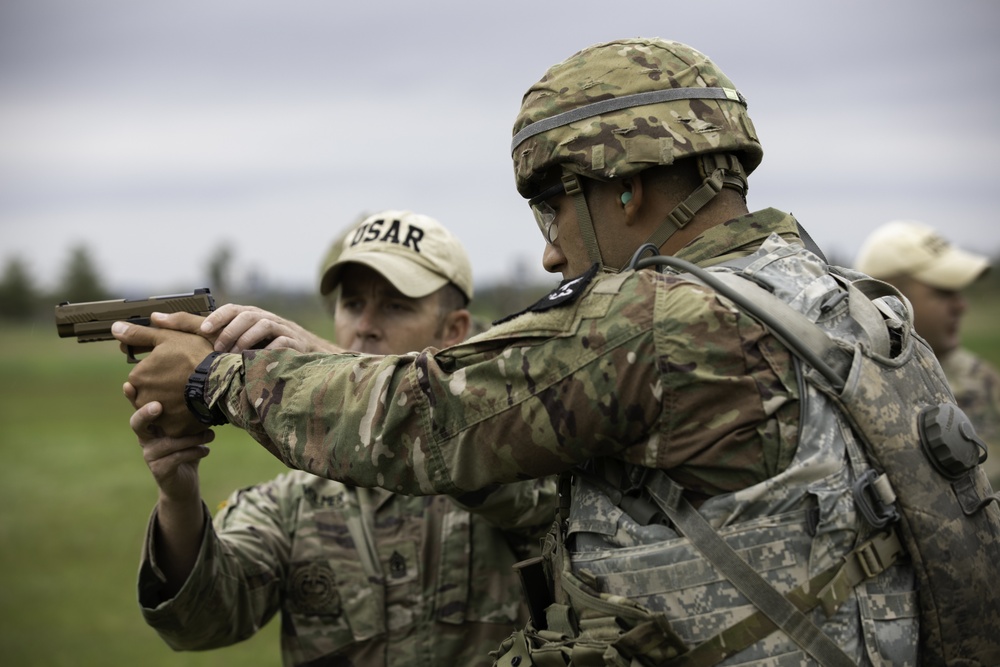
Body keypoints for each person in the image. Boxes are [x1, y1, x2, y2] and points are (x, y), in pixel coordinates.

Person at [113, 39, 998, 665]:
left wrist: (215, 375)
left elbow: (421, 421)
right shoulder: (836, 300)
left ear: (625, 187)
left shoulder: (657, 321)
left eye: (551, 209)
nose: (547, 253)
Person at [130, 210, 557, 666]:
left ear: (453, 329)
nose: (365, 325)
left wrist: (323, 361)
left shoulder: (514, 453)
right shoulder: (295, 503)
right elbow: (201, 623)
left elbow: (526, 491)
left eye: (396, 306)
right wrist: (178, 493)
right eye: (352, 304)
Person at [855, 220, 1000, 488]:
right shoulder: (853, 387)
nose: (961, 305)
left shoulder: (980, 377)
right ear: (889, 297)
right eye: (944, 292)